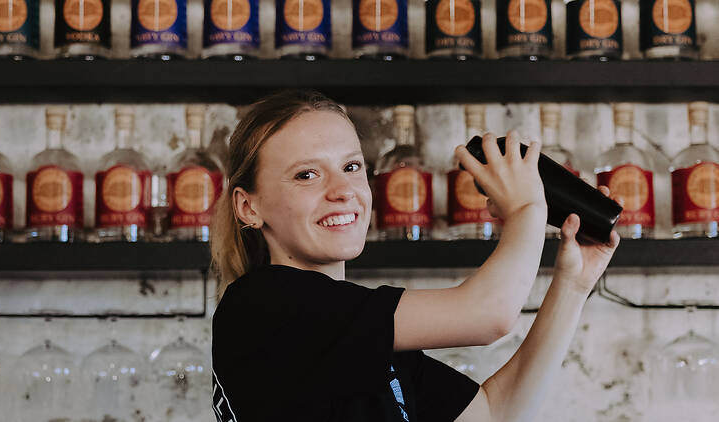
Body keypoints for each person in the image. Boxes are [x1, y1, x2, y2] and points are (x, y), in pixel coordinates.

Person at [209, 90, 620, 422]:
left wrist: (572, 284)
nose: (343, 190)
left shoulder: (360, 329)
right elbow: (488, 314)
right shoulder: (264, 305)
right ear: (248, 207)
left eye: (352, 167)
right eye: (307, 174)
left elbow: (496, 413)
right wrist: (528, 210)